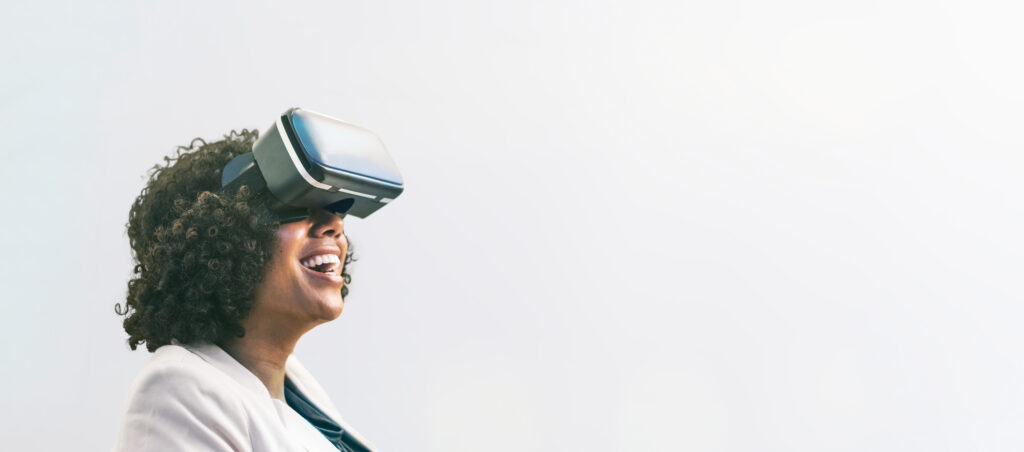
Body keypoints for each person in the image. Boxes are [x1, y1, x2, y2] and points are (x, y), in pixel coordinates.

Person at [112, 130, 374, 451]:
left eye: (332, 207)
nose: (335, 223)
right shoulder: (178, 389)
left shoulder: (299, 390)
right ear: (222, 241)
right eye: (295, 203)